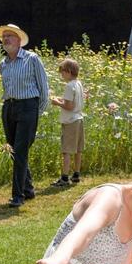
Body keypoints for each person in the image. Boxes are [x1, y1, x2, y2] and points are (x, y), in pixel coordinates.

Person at [0, 23, 50, 207]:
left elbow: (44, 89)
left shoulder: (32, 59)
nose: (6, 39)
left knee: (20, 151)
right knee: (14, 151)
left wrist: (35, 112)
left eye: (10, 36)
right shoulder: (3, 64)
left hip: (28, 107)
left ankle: (18, 196)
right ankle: (28, 189)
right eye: (4, 37)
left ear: (19, 40)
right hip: (9, 107)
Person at [50, 58, 85, 187]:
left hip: (70, 121)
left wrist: (57, 102)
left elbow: (69, 106)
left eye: (62, 72)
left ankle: (64, 178)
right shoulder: (78, 83)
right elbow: (72, 101)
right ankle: (76, 174)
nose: (61, 75)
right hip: (79, 118)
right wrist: (62, 99)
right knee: (78, 149)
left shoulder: (69, 86)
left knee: (67, 150)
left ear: (69, 71)